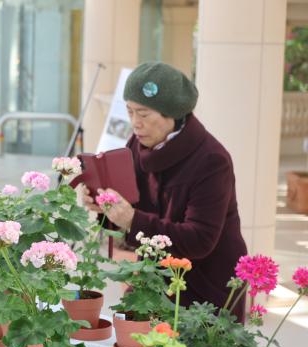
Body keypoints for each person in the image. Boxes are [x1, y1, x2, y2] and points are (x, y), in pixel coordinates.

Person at [83, 62, 248, 322]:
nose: (135, 123)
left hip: (206, 287)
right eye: (130, 111)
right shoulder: (136, 145)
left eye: (144, 114)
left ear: (173, 115)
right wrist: (104, 206)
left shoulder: (212, 160)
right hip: (155, 279)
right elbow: (128, 212)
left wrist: (131, 219)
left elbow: (200, 240)